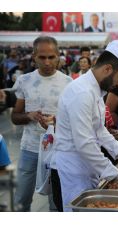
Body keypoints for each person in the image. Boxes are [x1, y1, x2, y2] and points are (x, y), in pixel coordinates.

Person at [53, 40, 118, 211]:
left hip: (87, 163)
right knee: (77, 211)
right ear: (107, 69)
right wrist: (114, 173)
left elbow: (99, 129)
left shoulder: (96, 90)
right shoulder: (82, 93)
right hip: (74, 166)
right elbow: (84, 143)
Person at [11, 36, 72, 211]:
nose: (47, 62)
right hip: (29, 148)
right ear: (34, 57)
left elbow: (74, 120)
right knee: (22, 200)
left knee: (56, 202)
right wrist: (28, 115)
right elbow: (15, 116)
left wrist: (56, 123)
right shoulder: (24, 81)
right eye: (42, 57)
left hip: (57, 150)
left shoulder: (68, 83)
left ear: (58, 56)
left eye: (51, 57)